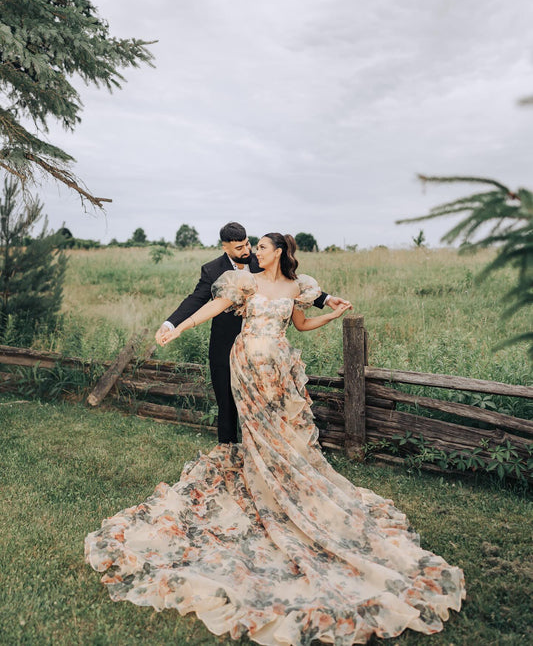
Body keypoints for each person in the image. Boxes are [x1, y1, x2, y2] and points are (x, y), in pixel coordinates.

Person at [85, 233, 465, 645]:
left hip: (279, 368)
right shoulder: (243, 283)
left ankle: (286, 484)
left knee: (282, 433)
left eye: (261, 247)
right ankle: (259, 479)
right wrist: (177, 327)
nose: (254, 252)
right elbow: (213, 305)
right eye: (254, 248)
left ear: (279, 252)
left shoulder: (297, 287)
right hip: (246, 364)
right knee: (256, 431)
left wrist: (332, 315)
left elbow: (301, 323)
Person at [155, 221, 348, 444]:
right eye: (241, 248)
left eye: (251, 245)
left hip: (274, 354)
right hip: (233, 346)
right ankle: (230, 448)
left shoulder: (269, 267)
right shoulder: (222, 273)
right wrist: (175, 326)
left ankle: (271, 451)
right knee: (228, 402)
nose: (249, 252)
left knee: (273, 407)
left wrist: (328, 301)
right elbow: (203, 302)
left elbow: (294, 293)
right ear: (225, 247)